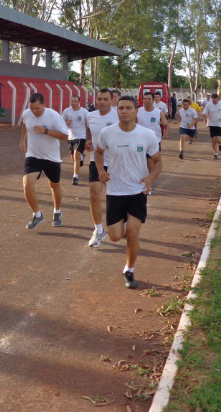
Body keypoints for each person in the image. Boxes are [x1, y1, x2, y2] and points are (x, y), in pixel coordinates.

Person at [95, 95, 162, 289]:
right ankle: (124, 228)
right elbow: (98, 153)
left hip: (137, 191)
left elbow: (157, 161)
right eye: (121, 108)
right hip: (115, 191)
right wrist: (101, 171)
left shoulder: (146, 135)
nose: (123, 111)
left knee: (133, 234)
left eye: (128, 108)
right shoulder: (107, 133)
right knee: (116, 236)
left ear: (135, 111)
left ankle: (129, 269)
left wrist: (150, 178)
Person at [19, 92, 69, 229]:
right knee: (27, 185)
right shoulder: (27, 114)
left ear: (43, 105)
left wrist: (46, 131)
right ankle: (37, 215)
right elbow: (25, 125)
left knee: (54, 185)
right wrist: (22, 140)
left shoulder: (53, 116)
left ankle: (57, 211)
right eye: (32, 108)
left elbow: (65, 136)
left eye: (37, 108)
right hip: (33, 156)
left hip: (51, 157)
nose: (34, 111)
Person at [85, 88, 118, 247]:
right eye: (99, 99)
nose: (102, 102)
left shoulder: (119, 115)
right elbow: (89, 131)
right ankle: (98, 230)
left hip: (117, 161)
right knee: (94, 195)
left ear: (112, 100)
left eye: (105, 99)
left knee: (116, 197)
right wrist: (88, 141)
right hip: (96, 160)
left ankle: (122, 224)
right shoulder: (90, 116)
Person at [62, 95, 89, 185]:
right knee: (74, 158)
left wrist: (89, 138)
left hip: (81, 137)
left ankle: (75, 176)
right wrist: (66, 123)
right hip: (70, 137)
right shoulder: (66, 111)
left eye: (75, 101)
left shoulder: (85, 112)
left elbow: (89, 125)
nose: (73, 103)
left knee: (76, 154)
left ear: (79, 102)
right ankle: (81, 157)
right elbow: (60, 124)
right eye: (72, 101)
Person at [202, 92, 221, 159]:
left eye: (216, 100)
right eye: (213, 100)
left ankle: (220, 144)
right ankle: (215, 154)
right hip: (212, 124)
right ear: (211, 99)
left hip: (220, 124)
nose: (214, 101)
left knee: (219, 139)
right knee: (213, 140)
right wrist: (205, 116)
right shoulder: (208, 105)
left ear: (218, 99)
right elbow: (204, 113)